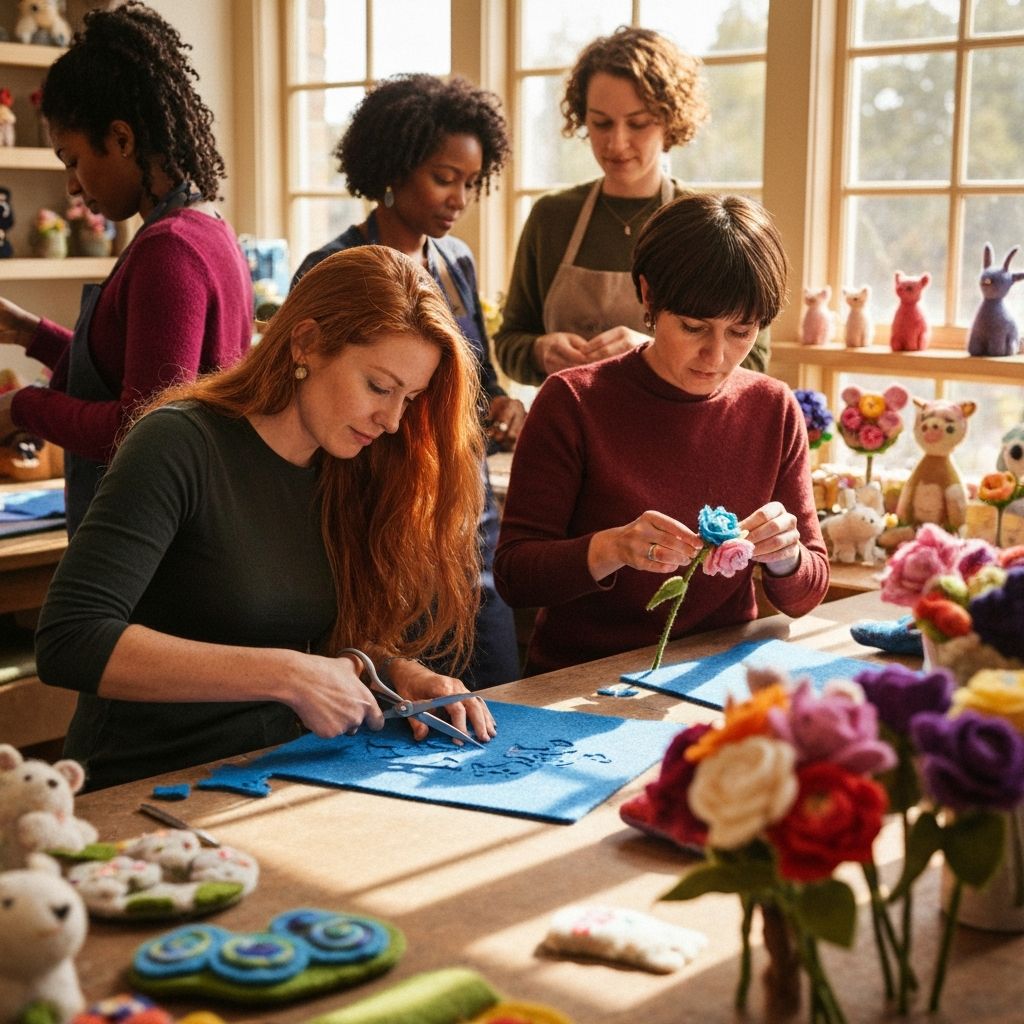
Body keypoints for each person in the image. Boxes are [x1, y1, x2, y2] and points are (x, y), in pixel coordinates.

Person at [35, 245, 499, 791]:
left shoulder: (348, 465)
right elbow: (70, 640)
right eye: (378, 387)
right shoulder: (180, 444)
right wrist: (287, 675)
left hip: (274, 773)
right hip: (144, 786)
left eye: (410, 398)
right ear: (306, 343)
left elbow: (301, 630)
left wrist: (393, 673)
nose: (393, 420)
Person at [493, 193, 829, 675]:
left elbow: (808, 593)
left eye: (741, 331)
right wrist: (611, 548)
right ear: (648, 297)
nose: (715, 356)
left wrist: (786, 556)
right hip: (581, 682)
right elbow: (515, 576)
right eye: (693, 327)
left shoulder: (772, 408)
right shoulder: (572, 400)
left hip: (713, 678)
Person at [292, 73, 523, 689]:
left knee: (499, 693)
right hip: (381, 529)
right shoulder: (334, 269)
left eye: (470, 184)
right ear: (393, 169)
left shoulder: (458, 264)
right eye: (444, 179)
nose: (459, 199)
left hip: (470, 524)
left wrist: (501, 405)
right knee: (404, 724)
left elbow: (482, 382)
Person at [0, 2, 252, 536]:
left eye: (72, 160)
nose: (72, 184)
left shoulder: (170, 249)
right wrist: (33, 335)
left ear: (121, 139)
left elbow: (138, 428)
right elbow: (138, 370)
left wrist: (25, 406)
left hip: (157, 555)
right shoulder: (206, 229)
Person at [494, 25, 770, 386]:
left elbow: (756, 361)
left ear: (670, 121)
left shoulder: (707, 224)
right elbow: (510, 341)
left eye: (638, 124)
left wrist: (653, 352)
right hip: (568, 427)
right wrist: (538, 351)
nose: (616, 142)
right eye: (601, 123)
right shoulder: (552, 217)